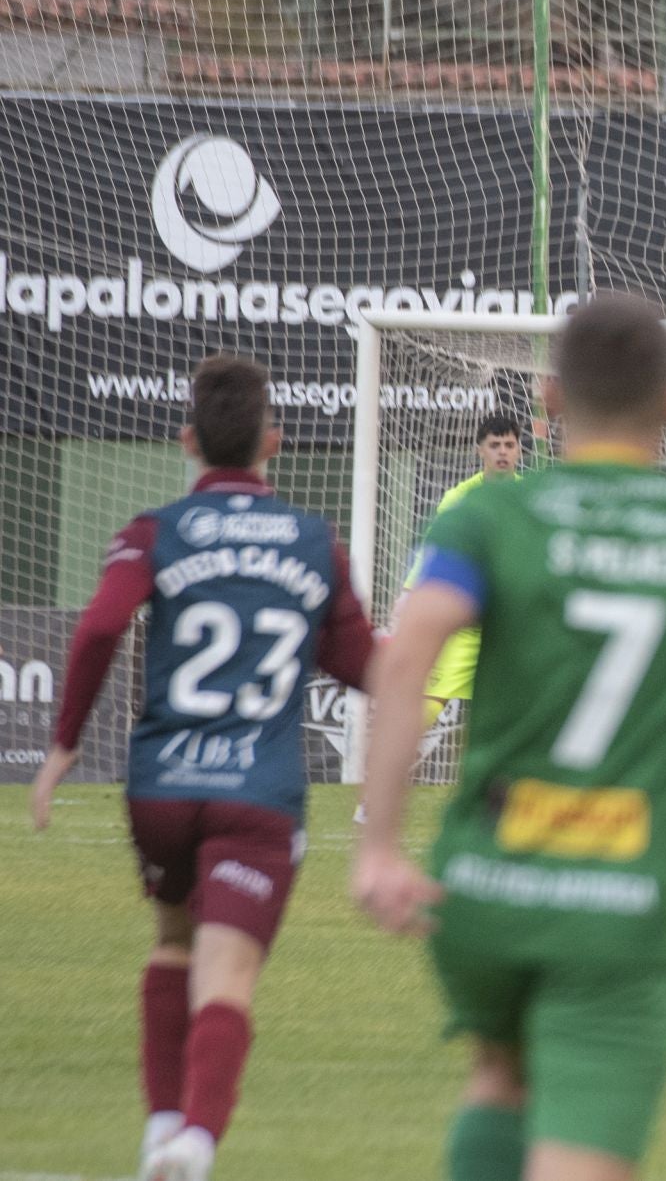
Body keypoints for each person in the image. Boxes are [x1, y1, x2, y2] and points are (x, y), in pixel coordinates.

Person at [353, 293, 666, 1181]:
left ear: (550, 400)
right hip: (618, 907)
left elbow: (405, 659)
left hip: (481, 886)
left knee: (499, 1080)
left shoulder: (484, 517)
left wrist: (382, 847)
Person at [31, 355, 377, 1181]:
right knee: (228, 975)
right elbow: (360, 663)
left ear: (188, 441)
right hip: (257, 793)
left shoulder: (153, 532)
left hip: (162, 788)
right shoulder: (312, 540)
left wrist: (64, 745)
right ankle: (194, 1141)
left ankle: (158, 1130)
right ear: (276, 441)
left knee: (173, 944)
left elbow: (98, 629)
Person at [353, 414, 524, 825]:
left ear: (519, 449)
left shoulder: (531, 497)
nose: (502, 452)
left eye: (509, 445)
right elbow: (435, 555)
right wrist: (409, 596)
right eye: (495, 445)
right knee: (423, 709)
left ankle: (506, 804)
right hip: (466, 625)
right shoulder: (459, 498)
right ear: (479, 450)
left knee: (512, 718)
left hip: (510, 628)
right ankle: (374, 796)